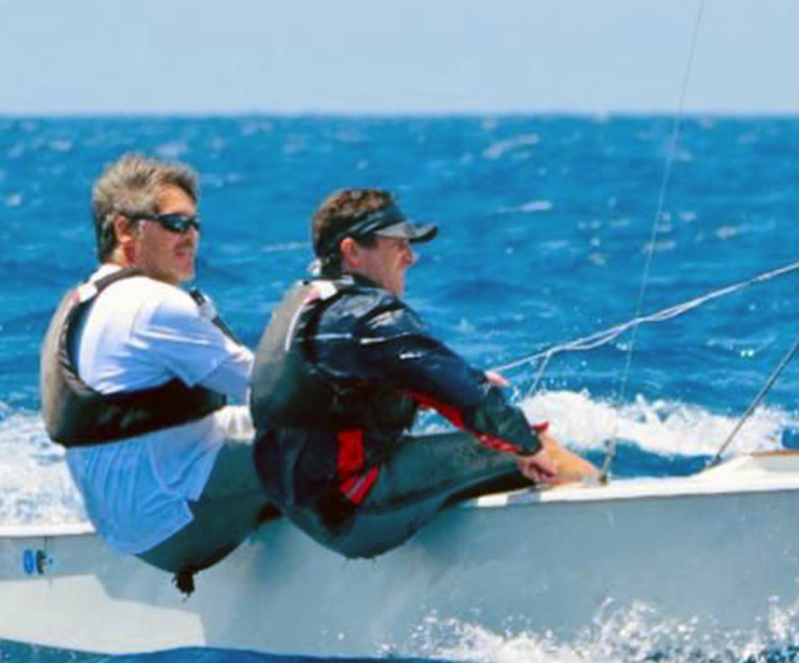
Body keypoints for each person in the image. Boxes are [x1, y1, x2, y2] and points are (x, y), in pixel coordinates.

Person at [251, 188, 597, 559]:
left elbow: (325, 403)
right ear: (352, 251)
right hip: (350, 512)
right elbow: (472, 401)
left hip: (300, 503)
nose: (411, 257)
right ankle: (605, 536)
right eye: (397, 245)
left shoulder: (309, 303)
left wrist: (422, 393)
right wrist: (528, 445)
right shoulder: (369, 316)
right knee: (539, 449)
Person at [40, 153, 274, 591]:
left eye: (194, 224)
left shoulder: (86, 298)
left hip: (125, 519)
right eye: (173, 224)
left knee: (267, 424)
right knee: (322, 440)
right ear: (125, 228)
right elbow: (272, 388)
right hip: (171, 520)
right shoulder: (153, 303)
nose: (190, 238)